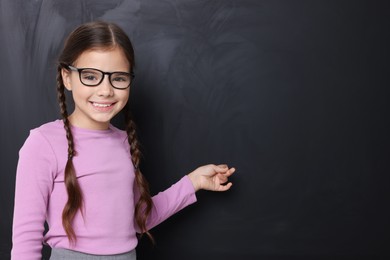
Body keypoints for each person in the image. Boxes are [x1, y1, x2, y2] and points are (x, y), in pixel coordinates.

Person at [11, 21, 235, 260]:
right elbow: (26, 240)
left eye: (118, 78)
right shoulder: (43, 143)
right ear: (67, 77)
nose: (106, 90)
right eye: (90, 76)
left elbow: (141, 219)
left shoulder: (123, 142)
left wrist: (193, 182)